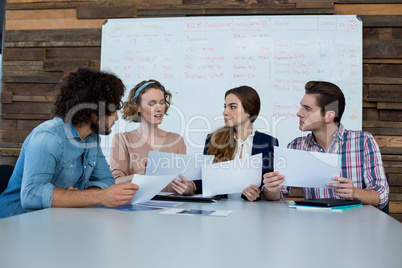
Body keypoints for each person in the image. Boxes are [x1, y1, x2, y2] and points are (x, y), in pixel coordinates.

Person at [0, 68, 139, 218]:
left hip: (58, 221)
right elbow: (31, 195)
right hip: (17, 224)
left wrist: (78, 197)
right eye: (111, 111)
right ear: (92, 110)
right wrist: (98, 196)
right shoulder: (48, 137)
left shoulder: (92, 139)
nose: (116, 118)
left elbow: (106, 180)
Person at [263, 81, 389, 209]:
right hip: (315, 224)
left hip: (354, 224)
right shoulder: (296, 147)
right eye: (301, 107)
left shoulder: (363, 141)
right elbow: (277, 195)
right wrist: (270, 189)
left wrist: (355, 193)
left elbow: (381, 196)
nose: (299, 113)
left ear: (329, 115)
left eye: (307, 109)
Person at [110, 80, 195, 195]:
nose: (159, 108)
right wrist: (144, 174)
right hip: (136, 210)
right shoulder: (122, 140)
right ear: (137, 107)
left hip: (171, 209)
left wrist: (189, 187)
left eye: (162, 102)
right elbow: (115, 183)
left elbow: (186, 180)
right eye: (152, 104)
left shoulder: (177, 140)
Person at [201, 86, 278, 201]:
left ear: (249, 112)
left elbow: (271, 186)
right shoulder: (213, 139)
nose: (225, 112)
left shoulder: (268, 143)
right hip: (220, 209)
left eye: (232, 107)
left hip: (253, 211)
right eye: (225, 106)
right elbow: (203, 180)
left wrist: (259, 193)